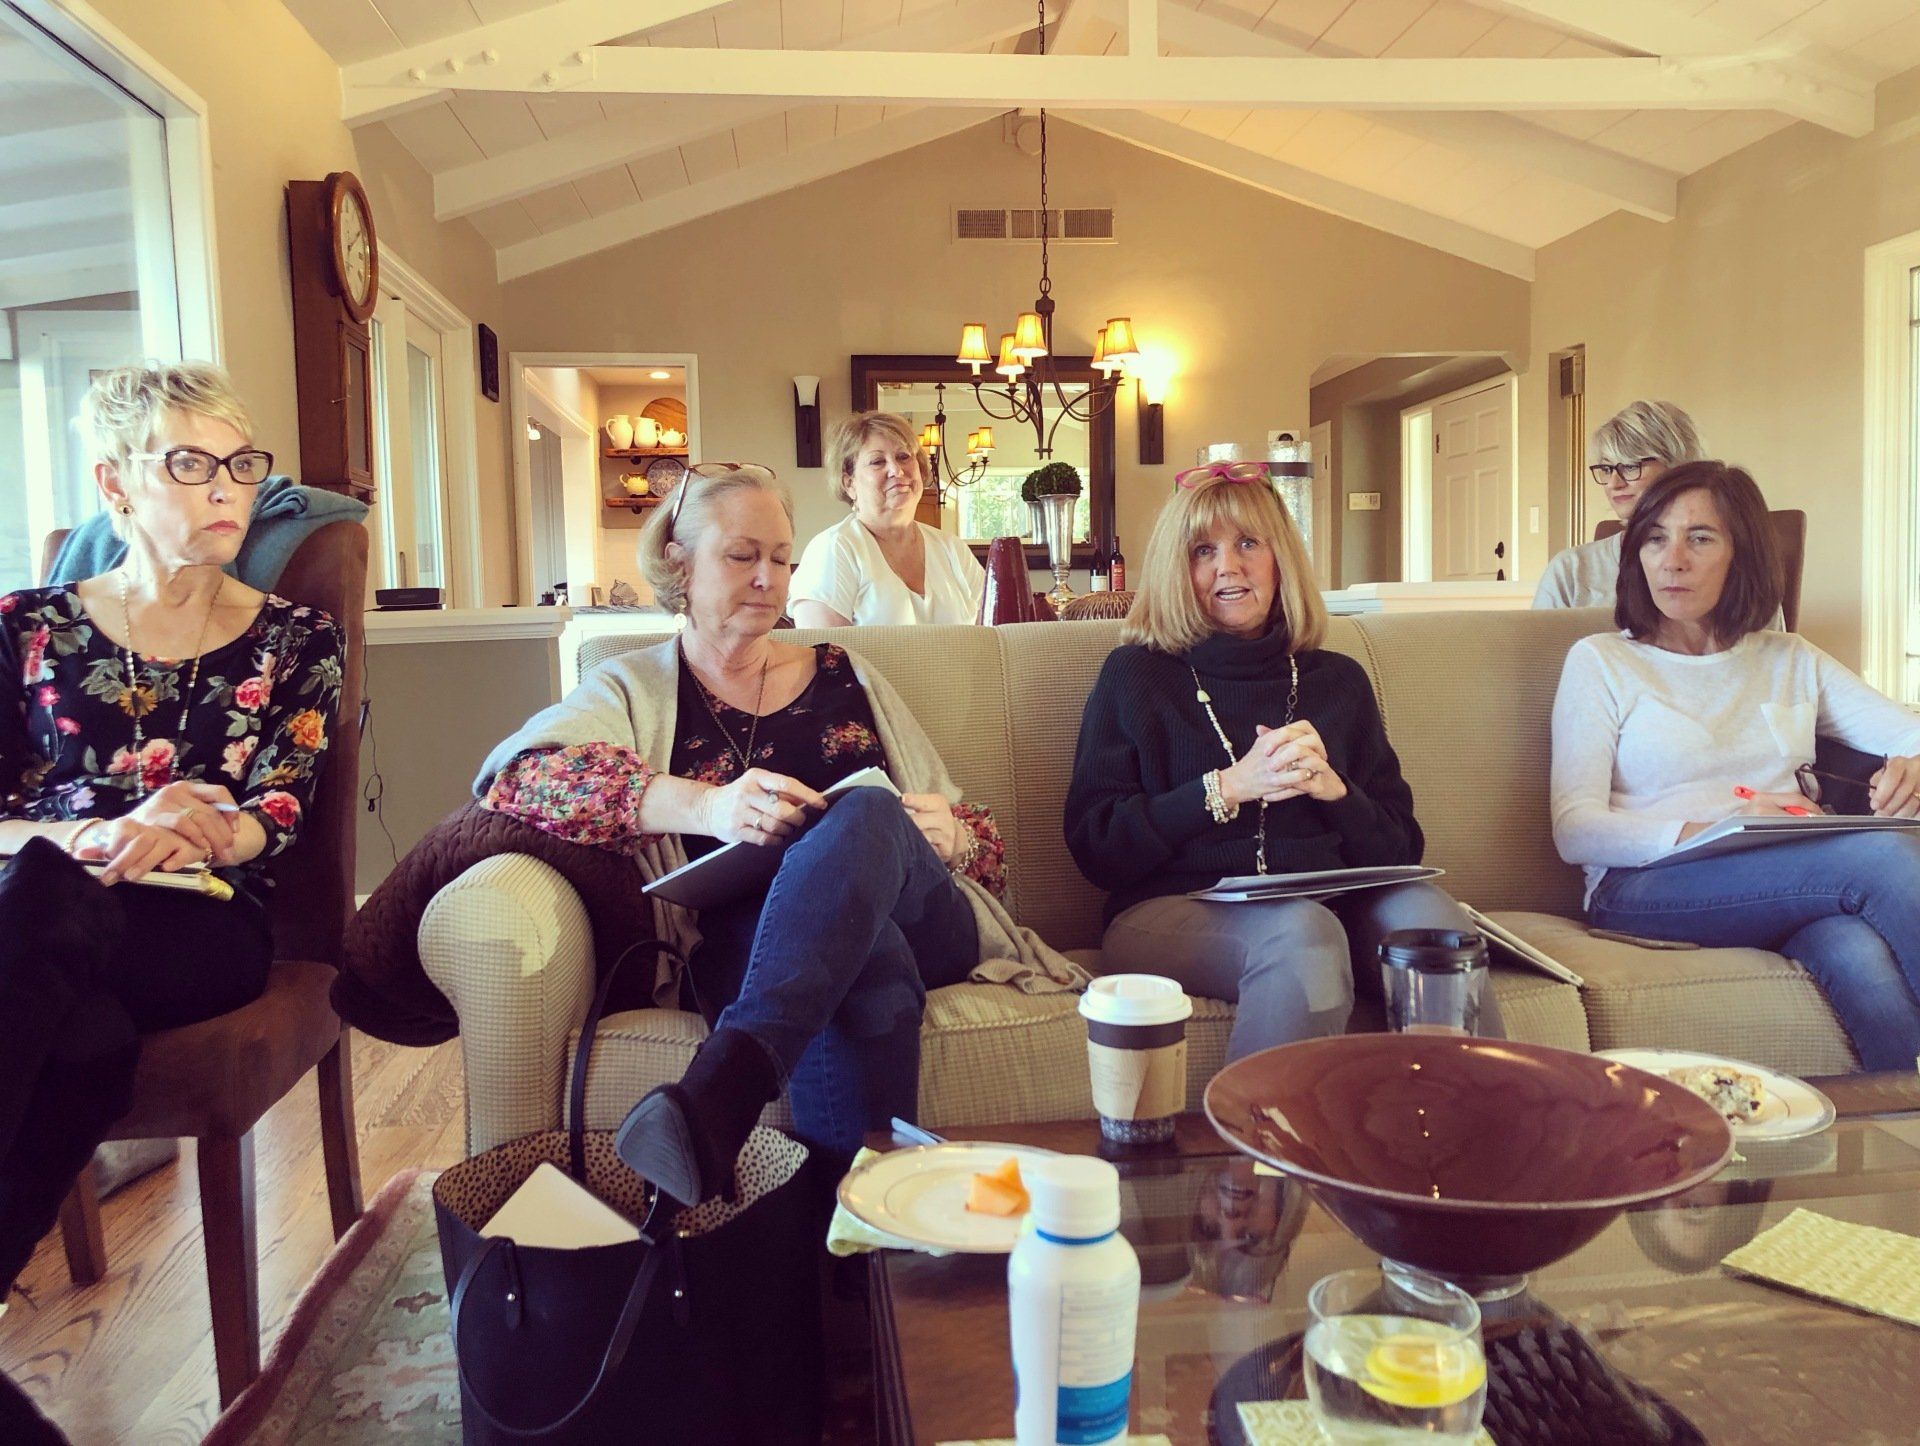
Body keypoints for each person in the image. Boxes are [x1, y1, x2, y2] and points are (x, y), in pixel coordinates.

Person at [475, 464, 1078, 1207]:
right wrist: (706, 808)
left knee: (866, 813)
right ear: (678, 560)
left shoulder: (843, 671)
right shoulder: (629, 687)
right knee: (865, 962)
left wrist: (952, 836)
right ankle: (861, 1269)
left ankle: (721, 1089)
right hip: (747, 943)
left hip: (928, 923)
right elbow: (516, 777)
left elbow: (986, 847)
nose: (768, 577)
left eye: (781, 558)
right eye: (741, 555)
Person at [0, 363, 344, 1443]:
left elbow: (280, 807)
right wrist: (93, 834)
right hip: (52, 896)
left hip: (201, 917)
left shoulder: (294, 638)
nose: (226, 488)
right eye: (190, 463)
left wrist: (192, 828)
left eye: (241, 464)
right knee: (88, 1037)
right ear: (116, 483)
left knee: (51, 913)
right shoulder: (28, 627)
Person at [1064, 463, 1498, 1062]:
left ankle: (1474, 1135)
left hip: (1331, 900)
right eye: (1203, 551)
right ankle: (1265, 1153)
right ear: (1177, 570)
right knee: (1303, 935)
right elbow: (1098, 849)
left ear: (1280, 559)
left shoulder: (1337, 681)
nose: (1229, 567)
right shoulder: (1137, 676)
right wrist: (1227, 787)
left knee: (1434, 923)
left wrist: (1337, 794)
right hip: (1174, 909)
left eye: (1248, 543)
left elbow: (1402, 850)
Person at [1551, 461, 1920, 1069]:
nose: (1672, 559)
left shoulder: (1790, 657)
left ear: (1742, 553)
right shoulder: (1602, 662)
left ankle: (1895, 1141)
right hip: (1644, 885)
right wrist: (1725, 824)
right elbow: (1575, 827)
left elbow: (1908, 733)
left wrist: (1910, 766)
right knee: (1881, 855)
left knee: (1855, 953)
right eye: (1655, 538)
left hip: (1784, 880)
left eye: (1699, 538)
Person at [789, 412, 985, 627]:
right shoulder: (834, 549)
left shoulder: (952, 549)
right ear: (849, 483)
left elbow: (995, 637)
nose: (896, 470)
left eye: (903, 456)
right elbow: (824, 653)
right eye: (877, 461)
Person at [1534, 400, 1706, 610]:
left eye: (1631, 466)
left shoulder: (1715, 561)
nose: (1614, 483)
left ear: (1677, 466)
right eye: (1606, 469)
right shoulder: (1571, 570)